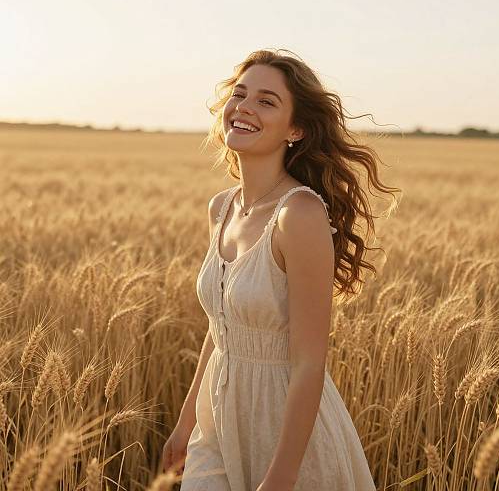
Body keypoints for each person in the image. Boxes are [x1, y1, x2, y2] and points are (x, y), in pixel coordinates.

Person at [162, 48, 400, 490]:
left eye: (267, 101)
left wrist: (284, 474)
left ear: (296, 128)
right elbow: (222, 329)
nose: (245, 107)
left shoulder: (300, 214)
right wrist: (185, 421)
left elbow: (310, 362)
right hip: (216, 420)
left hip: (287, 429)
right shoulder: (222, 207)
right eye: (240, 94)